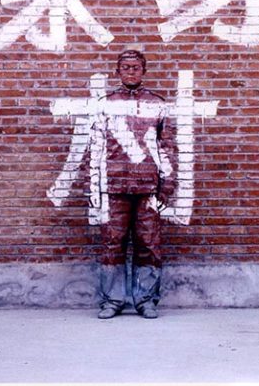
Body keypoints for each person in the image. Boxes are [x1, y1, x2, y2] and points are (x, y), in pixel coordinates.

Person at [88, 50, 176, 319]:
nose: (130, 72)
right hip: (113, 187)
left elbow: (167, 148)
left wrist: (167, 184)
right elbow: (95, 147)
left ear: (143, 71)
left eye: (136, 67)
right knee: (111, 243)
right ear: (117, 71)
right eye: (125, 67)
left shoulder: (157, 104)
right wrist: (93, 187)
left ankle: (146, 300)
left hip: (148, 187)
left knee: (148, 243)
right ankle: (112, 301)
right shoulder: (105, 103)